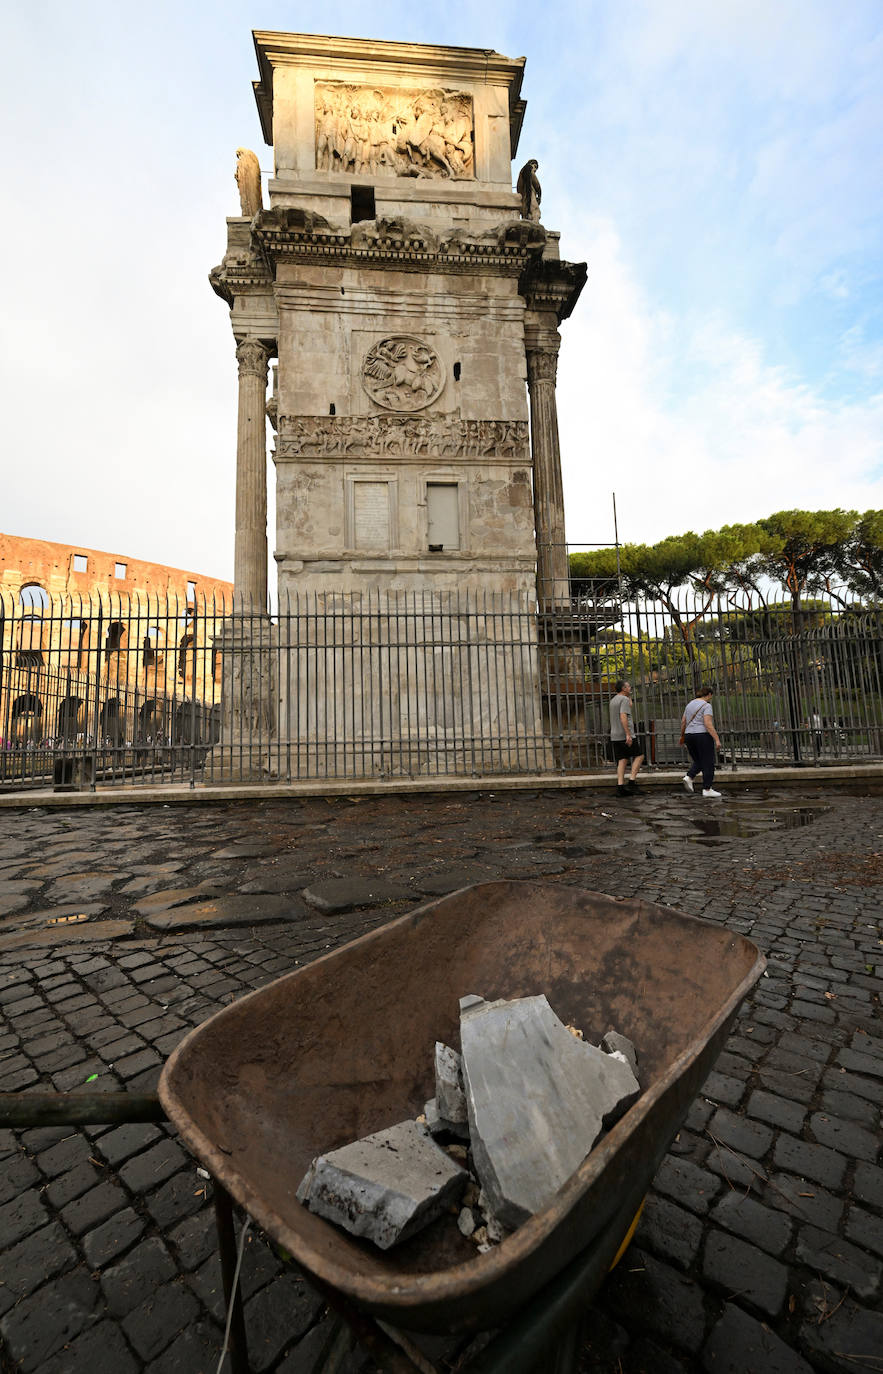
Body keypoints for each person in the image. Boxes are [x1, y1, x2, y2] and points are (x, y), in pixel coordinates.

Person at [681, 686, 722, 798]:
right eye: (711, 696)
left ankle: (689, 777)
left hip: (689, 735)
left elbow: (683, 721)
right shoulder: (706, 705)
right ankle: (707, 788)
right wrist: (717, 739)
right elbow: (707, 724)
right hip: (702, 735)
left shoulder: (689, 705)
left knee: (698, 760)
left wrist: (682, 736)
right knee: (708, 762)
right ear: (708, 694)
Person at [609, 680, 644, 797]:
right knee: (639, 755)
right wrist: (628, 734)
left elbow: (628, 707)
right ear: (624, 688)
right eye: (628, 686)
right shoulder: (623, 700)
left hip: (615, 735)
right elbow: (623, 716)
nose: (630, 688)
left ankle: (620, 787)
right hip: (624, 735)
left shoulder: (613, 700)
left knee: (622, 759)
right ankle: (632, 782)